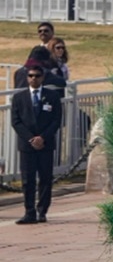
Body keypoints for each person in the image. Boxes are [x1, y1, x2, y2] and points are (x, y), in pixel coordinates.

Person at [11, 64, 62, 224]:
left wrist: (42, 138)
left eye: (37, 76)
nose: (34, 78)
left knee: (45, 179)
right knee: (28, 180)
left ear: (42, 78)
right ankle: (29, 212)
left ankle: (42, 211)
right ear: (27, 78)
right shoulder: (19, 98)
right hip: (27, 145)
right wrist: (31, 138)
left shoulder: (52, 96)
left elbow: (56, 120)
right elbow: (16, 121)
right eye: (31, 75)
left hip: (45, 144)